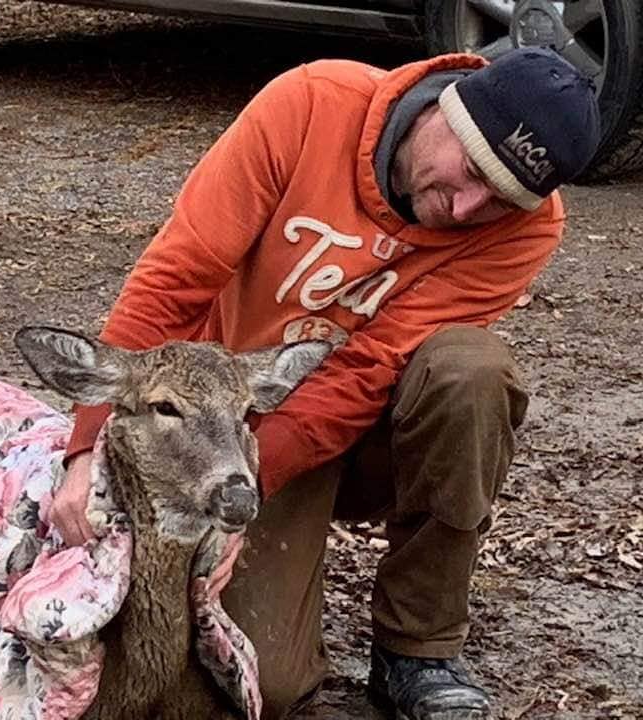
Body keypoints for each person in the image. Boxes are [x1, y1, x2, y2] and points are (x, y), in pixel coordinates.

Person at [50, 47, 601, 720]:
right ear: (446, 109)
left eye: (500, 202)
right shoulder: (312, 106)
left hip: (359, 426)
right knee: (269, 684)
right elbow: (177, 276)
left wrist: (248, 493)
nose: (466, 208)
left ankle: (417, 648)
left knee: (472, 372)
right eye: (471, 171)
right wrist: (86, 447)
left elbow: (366, 371)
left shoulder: (529, 229)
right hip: (234, 426)